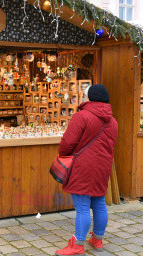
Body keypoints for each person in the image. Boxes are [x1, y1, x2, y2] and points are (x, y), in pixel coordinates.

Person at [55, 84, 118, 256]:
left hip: (83, 167)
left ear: (91, 98)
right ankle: (97, 239)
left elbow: (68, 143)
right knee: (99, 203)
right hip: (103, 167)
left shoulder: (82, 116)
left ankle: (78, 244)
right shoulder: (113, 121)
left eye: (86, 95)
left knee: (82, 207)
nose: (84, 98)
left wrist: (63, 154)